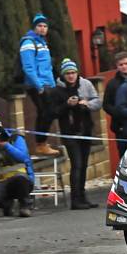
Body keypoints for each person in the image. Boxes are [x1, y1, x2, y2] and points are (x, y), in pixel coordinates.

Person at [52, 59, 102, 210]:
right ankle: (75, 199)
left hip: (85, 129)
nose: (71, 76)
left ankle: (83, 196)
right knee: (77, 165)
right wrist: (67, 105)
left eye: (73, 73)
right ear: (63, 75)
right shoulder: (58, 89)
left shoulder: (86, 84)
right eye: (68, 73)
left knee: (84, 165)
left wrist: (86, 104)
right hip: (69, 132)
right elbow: (54, 112)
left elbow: (98, 101)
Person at [20, 13, 59, 156]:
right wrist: (39, 86)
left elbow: (47, 67)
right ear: (34, 27)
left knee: (48, 113)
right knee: (46, 112)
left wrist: (53, 85)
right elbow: (28, 67)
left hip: (48, 83)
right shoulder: (28, 42)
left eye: (45, 26)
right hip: (36, 85)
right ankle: (40, 144)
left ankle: (42, 143)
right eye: (39, 26)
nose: (42, 29)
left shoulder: (43, 43)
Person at [102, 51, 127, 157]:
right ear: (117, 66)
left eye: (126, 63)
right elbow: (106, 105)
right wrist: (118, 112)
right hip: (121, 127)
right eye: (121, 65)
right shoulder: (112, 84)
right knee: (125, 157)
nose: (124, 67)